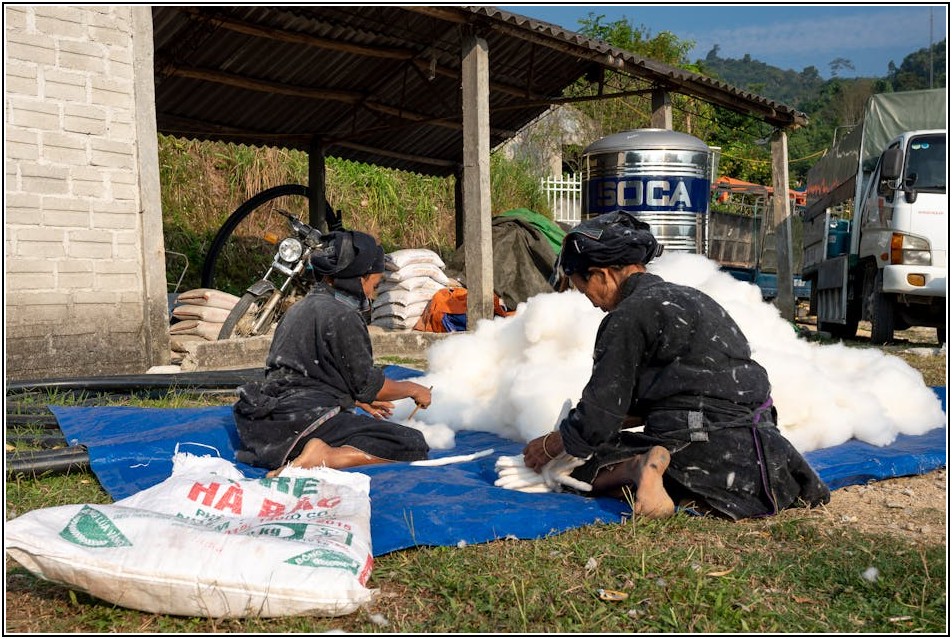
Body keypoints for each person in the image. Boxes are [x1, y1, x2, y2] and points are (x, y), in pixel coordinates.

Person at [523, 211, 831, 520]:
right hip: (763, 451)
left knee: (576, 467)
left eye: (582, 287)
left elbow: (599, 416)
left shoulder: (626, 317)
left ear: (602, 275)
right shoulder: (694, 298)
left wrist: (554, 444)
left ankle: (637, 469)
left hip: (701, 445)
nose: (590, 300)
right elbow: (690, 386)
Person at [233, 230, 432, 476]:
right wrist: (414, 389)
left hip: (266, 432)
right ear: (358, 279)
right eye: (374, 285)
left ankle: (306, 455)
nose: (372, 294)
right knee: (411, 442)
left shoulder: (299, 308)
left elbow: (301, 376)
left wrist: (355, 401)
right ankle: (324, 457)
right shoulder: (344, 315)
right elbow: (369, 386)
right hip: (303, 424)